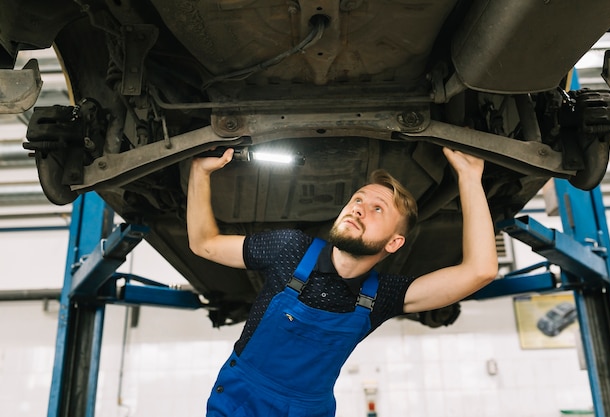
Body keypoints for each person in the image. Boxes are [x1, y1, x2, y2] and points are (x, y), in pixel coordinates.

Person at [187, 146, 498, 417]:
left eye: (378, 209)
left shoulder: (382, 296)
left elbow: (480, 270)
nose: (359, 208)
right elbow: (204, 244)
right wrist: (199, 172)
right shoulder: (289, 250)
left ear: (394, 243)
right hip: (242, 403)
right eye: (358, 199)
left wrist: (469, 178)